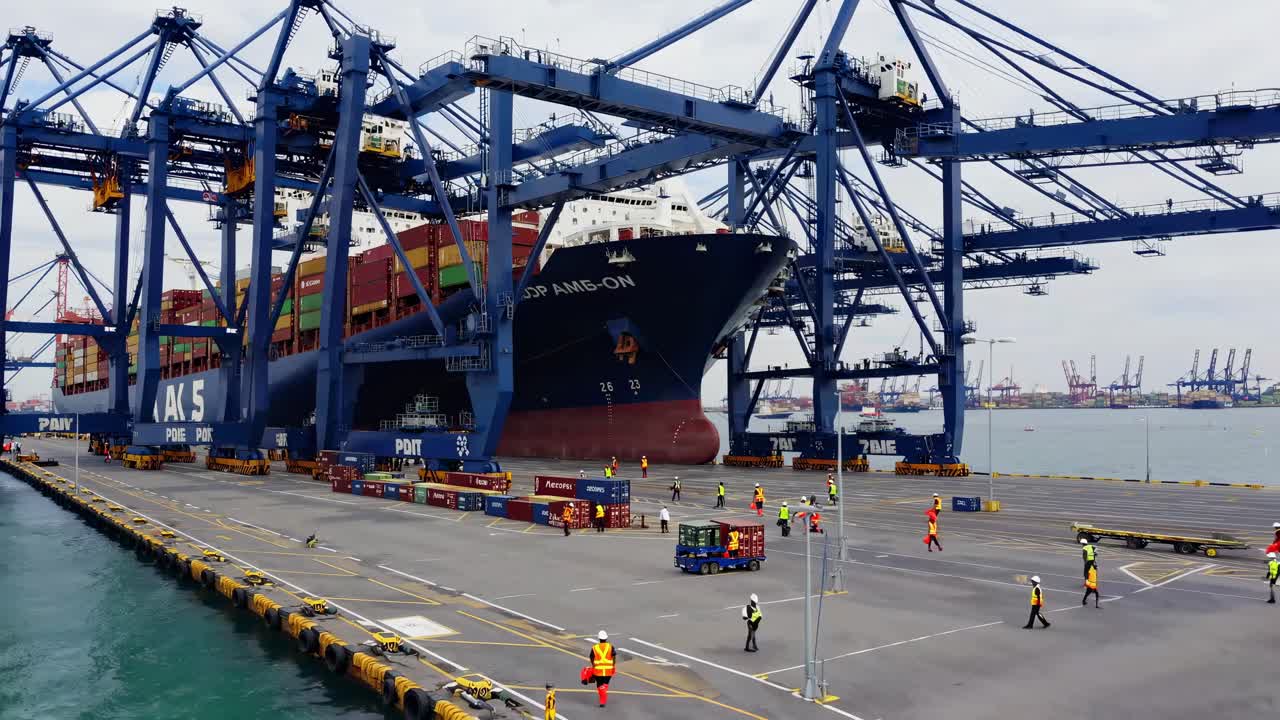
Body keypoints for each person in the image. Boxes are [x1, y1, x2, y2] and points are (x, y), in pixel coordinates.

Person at [588, 630, 616, 707]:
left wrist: (594, 666)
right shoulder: (610, 647)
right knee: (605, 684)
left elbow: (591, 658)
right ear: (606, 638)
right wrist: (613, 666)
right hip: (608, 670)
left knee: (599, 685)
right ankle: (603, 699)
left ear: (599, 638)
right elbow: (614, 657)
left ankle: (602, 701)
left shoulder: (595, 648)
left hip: (598, 671)